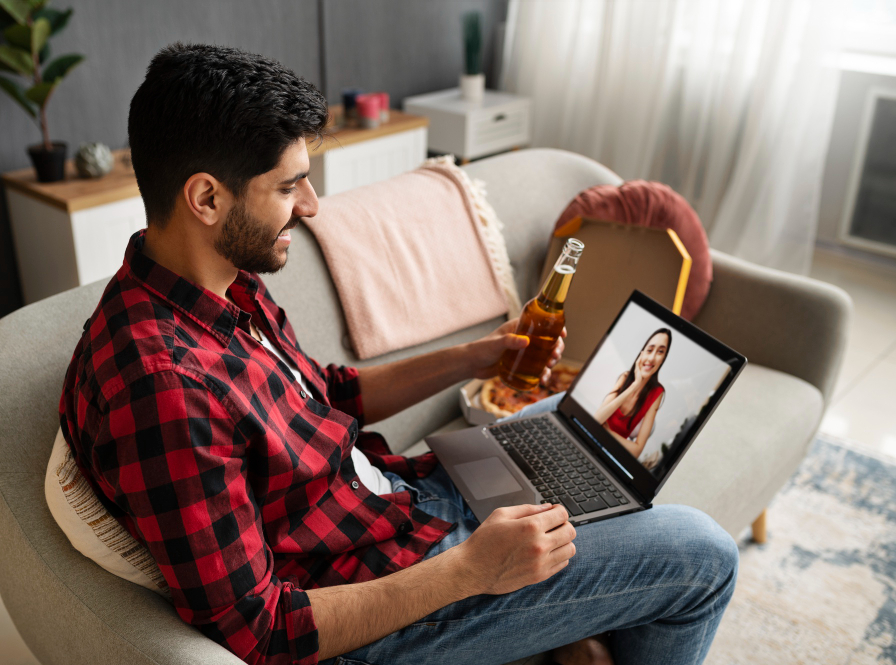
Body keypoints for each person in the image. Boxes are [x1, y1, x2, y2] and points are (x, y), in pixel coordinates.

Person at [59, 44, 739, 665]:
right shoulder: (163, 387)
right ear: (206, 197)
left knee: (585, 421)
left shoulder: (220, 285)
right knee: (702, 554)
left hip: (398, 507)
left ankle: (573, 630)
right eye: (290, 185)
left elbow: (328, 391)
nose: (314, 206)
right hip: (382, 608)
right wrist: (474, 568)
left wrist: (478, 355)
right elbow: (261, 630)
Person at [594, 329, 671, 461]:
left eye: (660, 352)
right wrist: (634, 386)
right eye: (650, 350)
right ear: (642, 353)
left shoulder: (657, 393)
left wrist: (608, 432)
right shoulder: (625, 377)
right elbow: (596, 421)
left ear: (663, 359)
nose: (652, 358)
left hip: (613, 453)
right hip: (593, 438)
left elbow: (636, 451)